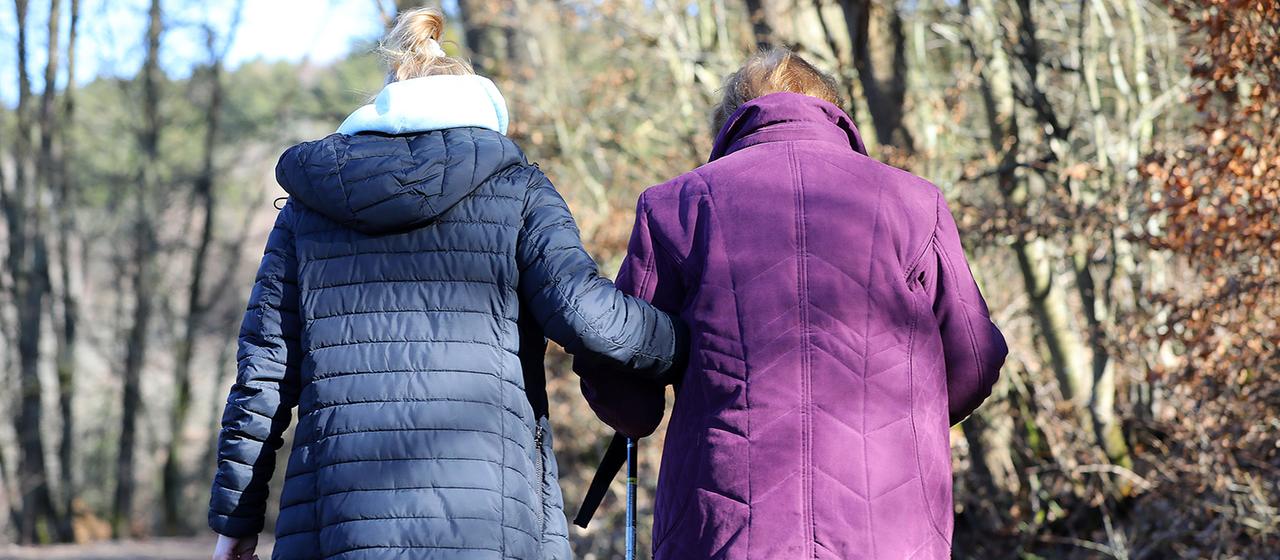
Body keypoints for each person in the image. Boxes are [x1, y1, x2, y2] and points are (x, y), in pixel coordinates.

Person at [208, 7, 685, 560]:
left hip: (337, 524)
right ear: (483, 112)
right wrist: (685, 341)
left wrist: (236, 518)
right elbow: (587, 314)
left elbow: (264, 374)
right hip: (492, 515)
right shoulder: (519, 190)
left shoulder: (307, 212)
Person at [576, 48, 1008, 559]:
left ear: (730, 120)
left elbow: (619, 368)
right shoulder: (914, 202)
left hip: (726, 527)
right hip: (887, 526)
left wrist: (639, 411)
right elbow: (975, 359)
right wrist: (902, 422)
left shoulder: (677, 205)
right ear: (836, 112)